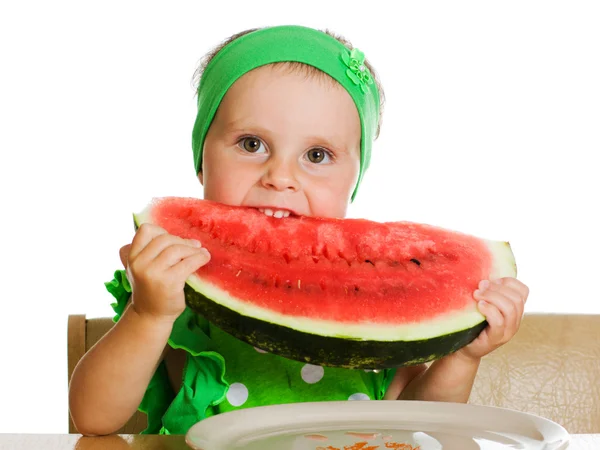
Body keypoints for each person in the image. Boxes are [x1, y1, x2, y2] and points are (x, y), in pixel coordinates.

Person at [68, 25, 529, 436]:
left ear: (355, 176)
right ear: (201, 156)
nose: (280, 176)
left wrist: (462, 354)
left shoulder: (373, 301)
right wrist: (148, 314)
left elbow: (418, 428)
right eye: (252, 144)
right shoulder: (169, 282)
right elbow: (94, 419)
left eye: (317, 156)